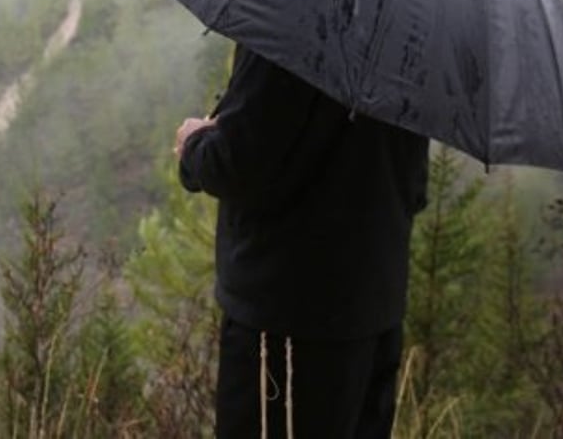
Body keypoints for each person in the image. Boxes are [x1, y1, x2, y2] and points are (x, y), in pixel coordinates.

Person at [174, 44, 429, 438]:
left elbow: (235, 162)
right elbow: (414, 190)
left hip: (286, 323)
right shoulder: (412, 37)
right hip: (374, 317)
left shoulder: (290, 24)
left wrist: (194, 145)